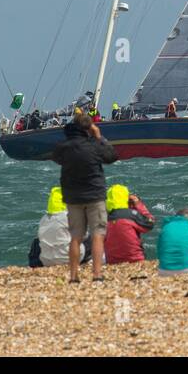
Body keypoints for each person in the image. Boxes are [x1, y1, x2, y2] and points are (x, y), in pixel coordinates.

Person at [50, 111, 118, 282]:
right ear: (89, 127)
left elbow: (56, 157)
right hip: (95, 195)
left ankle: (73, 276)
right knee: (97, 234)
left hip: (73, 197)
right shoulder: (94, 145)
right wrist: (99, 137)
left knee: (75, 237)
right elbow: (111, 157)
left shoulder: (64, 147)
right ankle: (97, 274)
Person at [30, 186, 91, 267]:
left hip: (46, 261)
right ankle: (87, 262)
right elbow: (84, 236)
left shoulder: (44, 219)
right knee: (90, 238)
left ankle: (34, 265)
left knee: (37, 241)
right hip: (69, 259)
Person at [104, 183, 155, 265]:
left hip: (112, 261)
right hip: (135, 259)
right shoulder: (131, 215)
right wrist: (138, 204)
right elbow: (150, 224)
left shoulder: (105, 219)